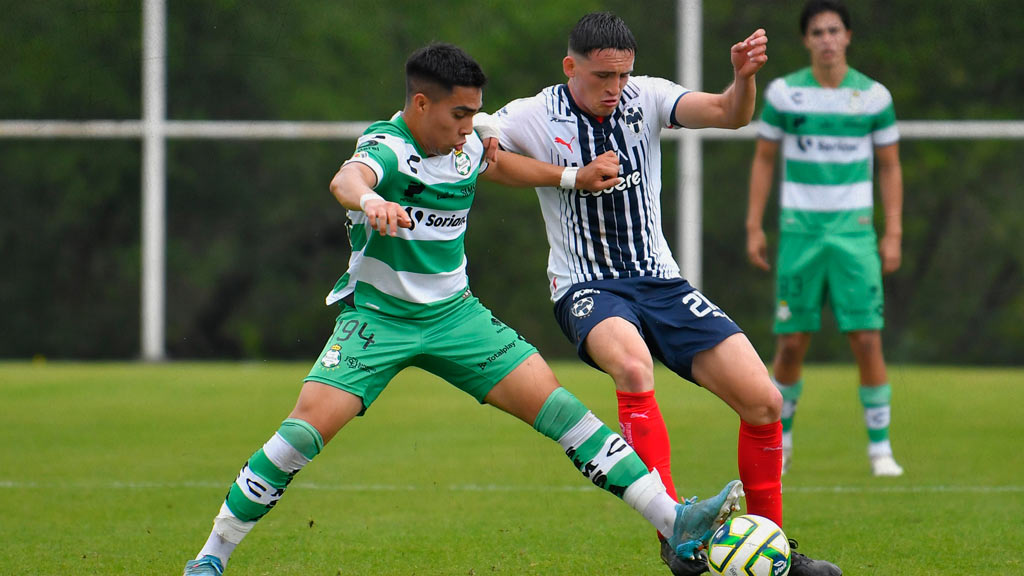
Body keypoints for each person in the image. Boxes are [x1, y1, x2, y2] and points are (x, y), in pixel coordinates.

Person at [182, 43, 745, 576]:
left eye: (475, 114)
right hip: (378, 321)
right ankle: (212, 554)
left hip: (457, 318)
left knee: (565, 414)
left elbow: (498, 167)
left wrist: (571, 176)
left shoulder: (467, 141)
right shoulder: (389, 147)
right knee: (301, 436)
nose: (470, 127)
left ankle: (677, 523)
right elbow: (347, 178)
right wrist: (373, 201)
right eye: (460, 114)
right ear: (421, 103)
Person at [482, 11, 842, 576]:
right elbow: (487, 158)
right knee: (632, 366)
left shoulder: (645, 96)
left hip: (661, 282)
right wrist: (569, 175)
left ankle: (776, 549)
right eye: (602, 77)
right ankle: (678, 533)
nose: (615, 89)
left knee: (765, 401)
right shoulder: (534, 112)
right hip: (586, 285)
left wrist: (743, 78)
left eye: (623, 75)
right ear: (570, 67)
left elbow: (728, 114)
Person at [745, 0, 905, 478]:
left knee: (866, 338)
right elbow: (765, 160)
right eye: (818, 32)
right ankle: (782, 443)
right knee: (792, 342)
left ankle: (880, 450)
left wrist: (892, 231)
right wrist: (754, 225)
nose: (827, 39)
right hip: (800, 233)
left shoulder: (874, 97)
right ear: (806, 40)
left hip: (854, 233)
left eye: (835, 30)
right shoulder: (785, 94)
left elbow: (892, 167)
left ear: (848, 36)